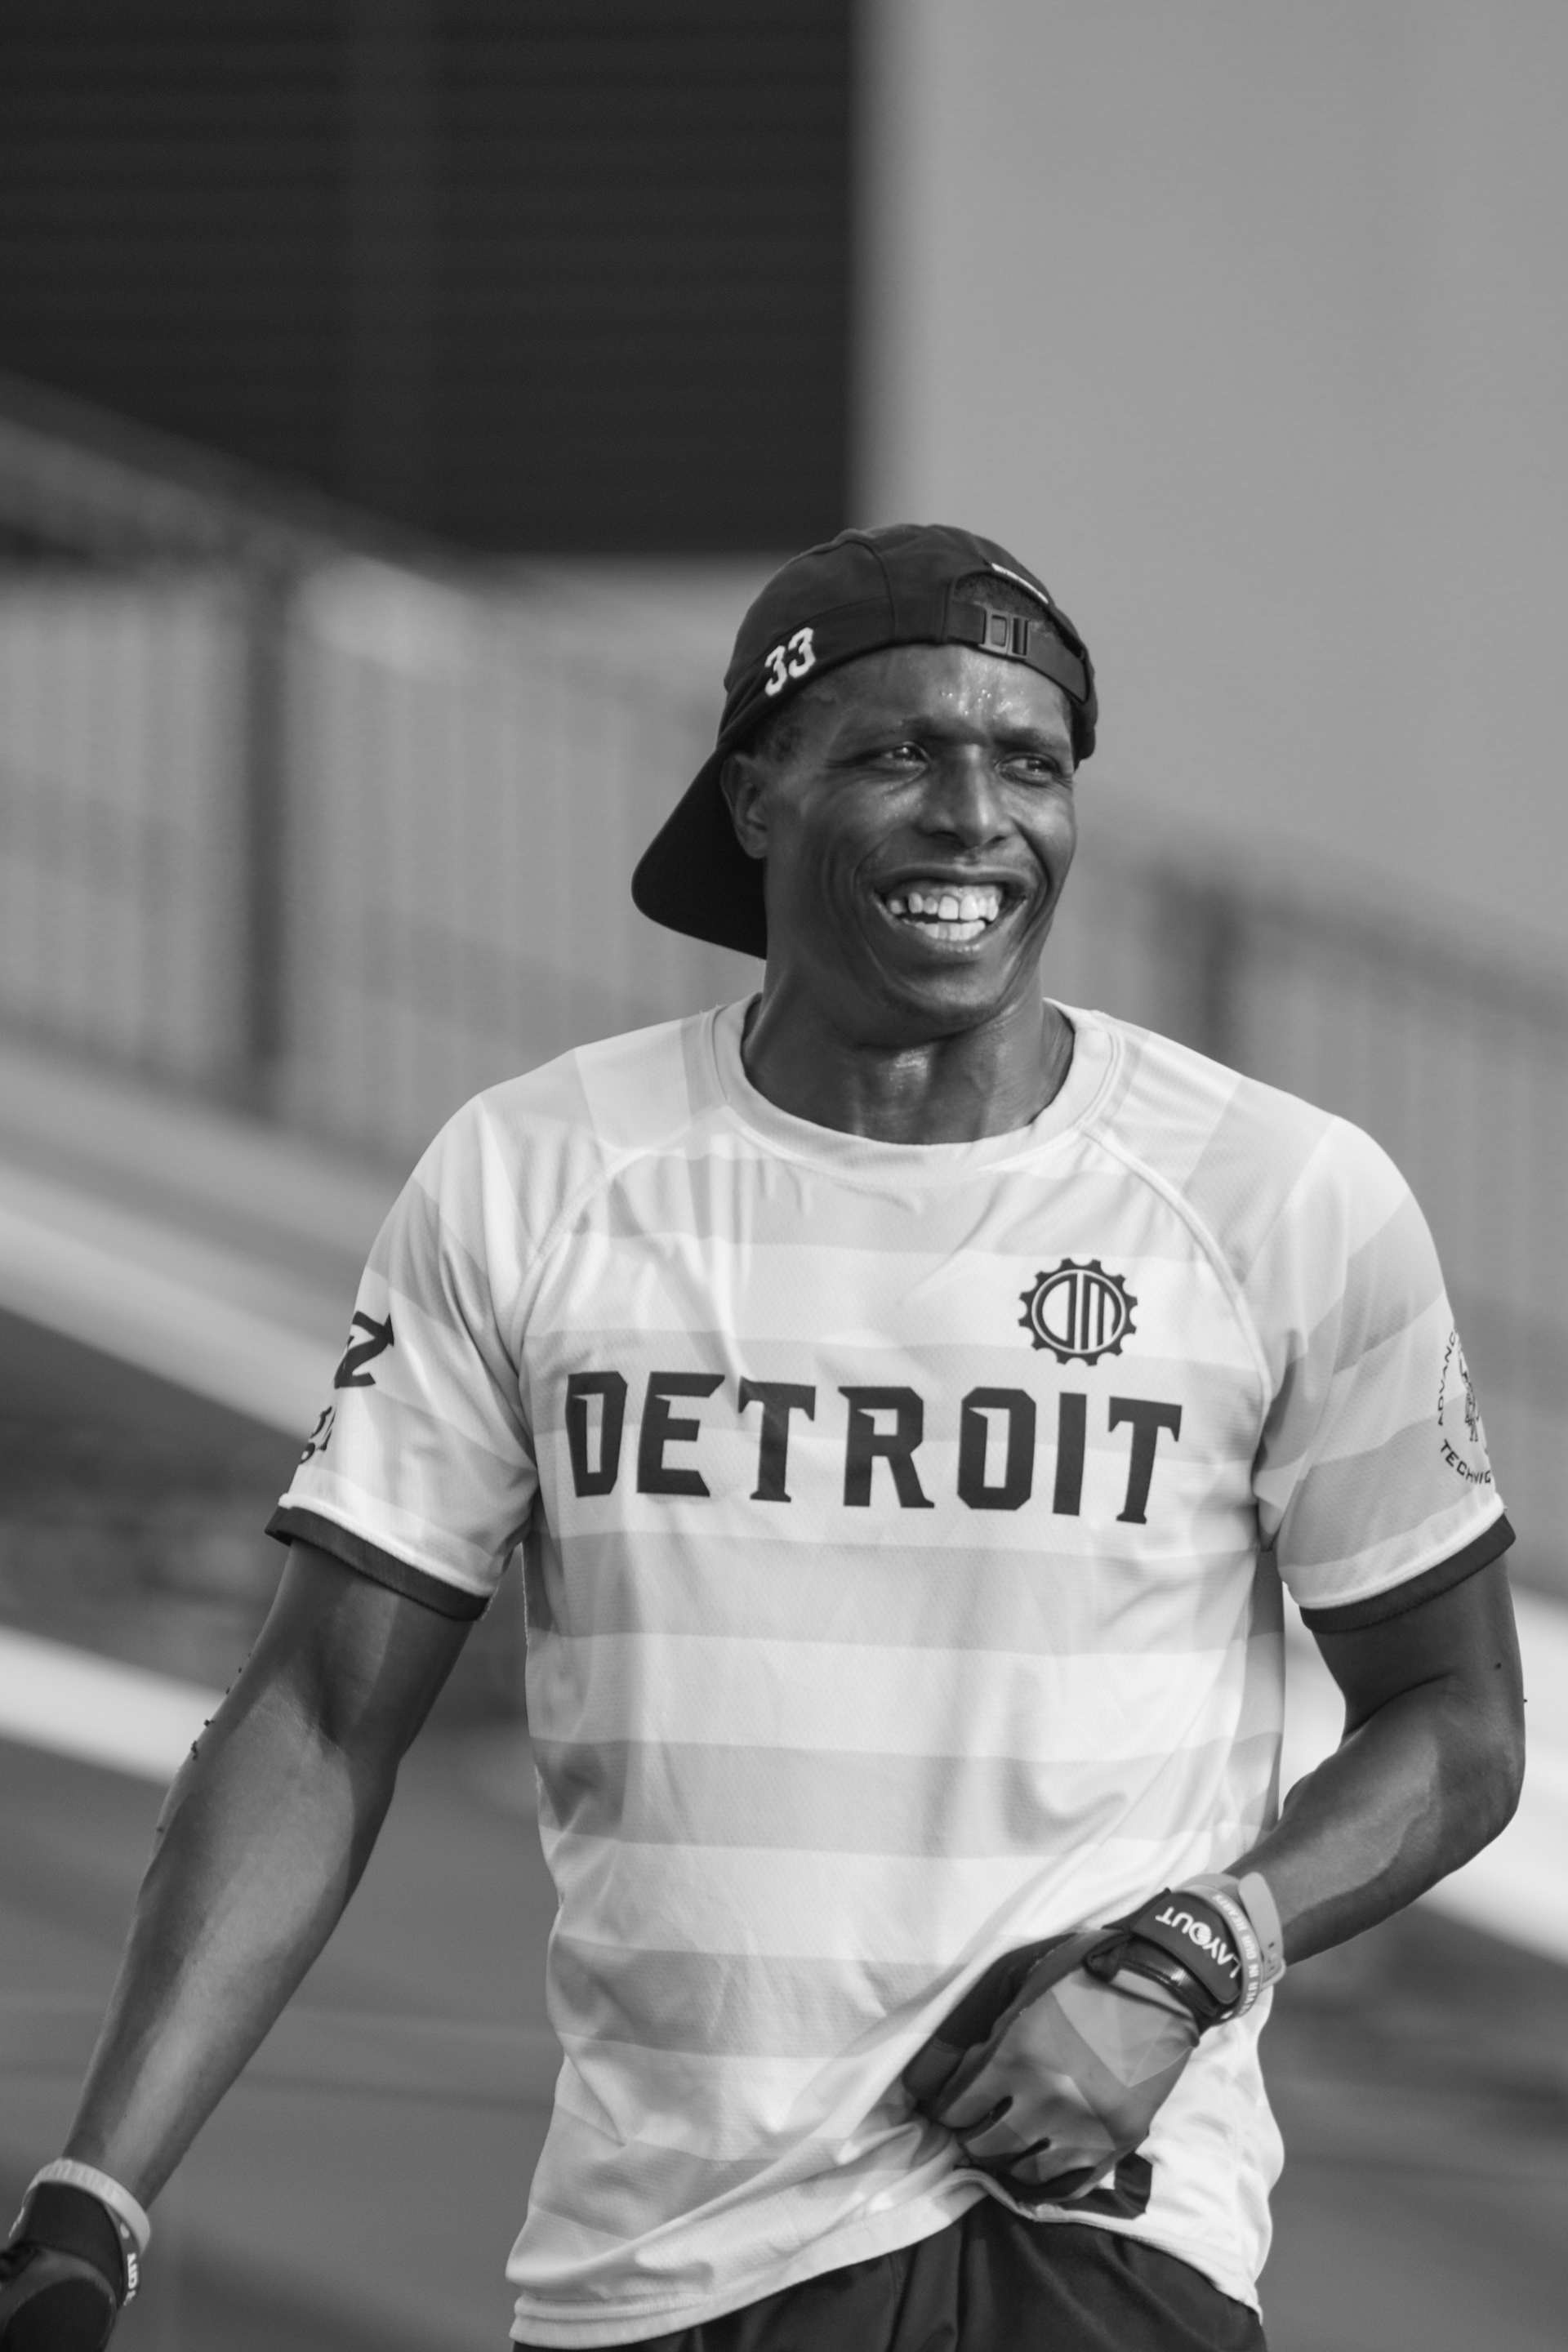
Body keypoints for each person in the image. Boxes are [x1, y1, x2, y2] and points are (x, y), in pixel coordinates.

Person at [1, 525, 1525, 2352]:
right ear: (753, 794)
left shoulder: (1284, 1198)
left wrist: (1196, 1958)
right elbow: (322, 1719)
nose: (977, 815)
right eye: (900, 752)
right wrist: (95, 2194)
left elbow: (1458, 1720)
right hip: (651, 2275)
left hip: (1085, 2248)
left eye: (1031, 762)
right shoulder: (538, 1173)